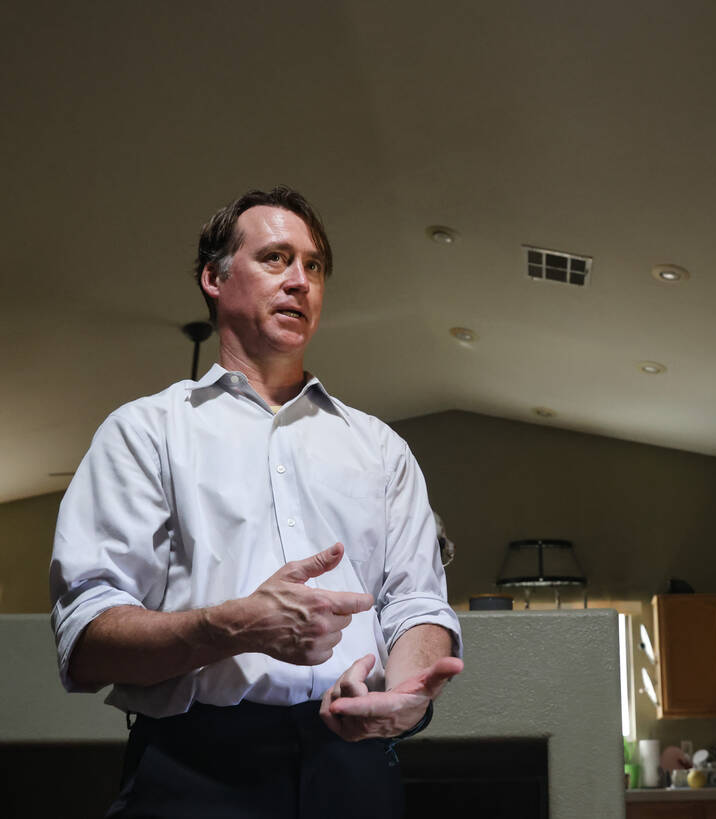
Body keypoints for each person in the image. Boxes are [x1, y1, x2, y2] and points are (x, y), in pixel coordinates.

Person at [49, 186, 464, 818]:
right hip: (194, 772)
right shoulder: (145, 431)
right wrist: (234, 625)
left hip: (355, 770)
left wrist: (401, 692)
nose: (300, 280)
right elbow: (86, 637)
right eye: (276, 258)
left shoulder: (381, 448)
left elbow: (417, 605)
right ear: (214, 278)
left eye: (314, 265)